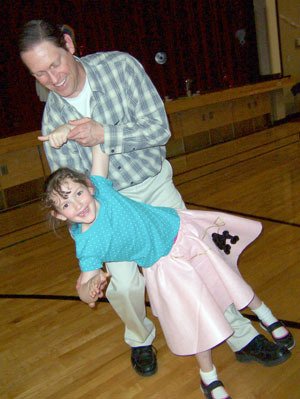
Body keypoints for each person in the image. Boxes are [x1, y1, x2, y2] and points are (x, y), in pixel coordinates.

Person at [19, 19, 293, 377]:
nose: (53, 80)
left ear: (69, 45)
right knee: (124, 286)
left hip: (153, 186)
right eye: (40, 74)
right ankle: (140, 337)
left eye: (55, 64)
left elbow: (159, 129)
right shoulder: (52, 120)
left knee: (197, 262)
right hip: (108, 209)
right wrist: (90, 265)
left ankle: (240, 337)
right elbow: (70, 195)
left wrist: (104, 133)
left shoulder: (120, 67)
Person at [40, 126, 294, 399]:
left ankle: (266, 316)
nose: (77, 205)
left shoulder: (101, 189)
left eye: (78, 193)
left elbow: (99, 145)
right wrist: (89, 289)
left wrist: (75, 129)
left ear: (88, 187)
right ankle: (208, 378)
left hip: (185, 232)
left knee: (227, 280)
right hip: (166, 266)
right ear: (60, 215)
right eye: (66, 205)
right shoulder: (88, 244)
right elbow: (85, 281)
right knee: (196, 314)